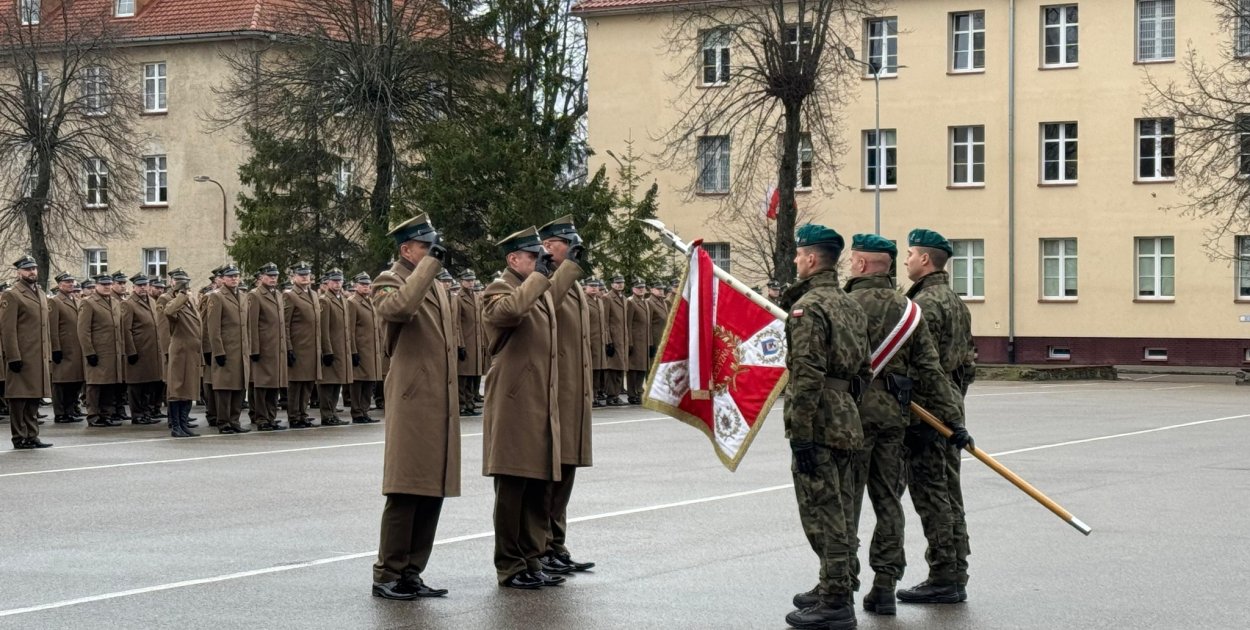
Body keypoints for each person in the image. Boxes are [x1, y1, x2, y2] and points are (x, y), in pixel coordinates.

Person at [833, 234, 967, 616]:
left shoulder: (848, 305)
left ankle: (839, 585)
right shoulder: (911, 308)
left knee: (848, 504)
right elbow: (938, 368)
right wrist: (955, 416)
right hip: (898, 419)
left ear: (860, 264)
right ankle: (886, 584)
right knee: (889, 502)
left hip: (856, 419)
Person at [781, 224, 870, 630]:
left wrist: (800, 432)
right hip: (847, 414)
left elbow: (806, 373)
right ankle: (834, 583)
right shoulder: (851, 304)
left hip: (818, 418)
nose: (796, 261)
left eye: (800, 255)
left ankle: (836, 600)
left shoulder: (809, 307)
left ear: (812, 259)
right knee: (843, 509)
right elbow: (864, 370)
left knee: (824, 512)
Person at [481, 226, 579, 590]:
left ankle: (532, 558)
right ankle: (510, 564)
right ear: (513, 259)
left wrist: (564, 266)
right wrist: (540, 274)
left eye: (541, 256)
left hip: (540, 402)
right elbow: (510, 311)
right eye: (532, 256)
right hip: (513, 404)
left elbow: (552, 297)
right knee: (513, 489)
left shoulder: (537, 290)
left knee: (539, 486)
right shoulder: (499, 289)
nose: (540, 262)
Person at [370, 214, 459, 600]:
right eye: (426, 247)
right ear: (406, 250)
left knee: (431, 488)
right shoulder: (387, 281)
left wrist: (428, 269)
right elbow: (399, 310)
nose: (432, 253)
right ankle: (387, 573)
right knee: (406, 489)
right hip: (411, 397)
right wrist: (427, 269)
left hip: (438, 397)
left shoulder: (434, 283)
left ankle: (411, 570)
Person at [897, 228, 976, 604]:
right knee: (949, 493)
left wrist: (926, 413)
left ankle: (945, 576)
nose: (907, 259)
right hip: (950, 407)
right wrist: (955, 402)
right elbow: (968, 364)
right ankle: (955, 571)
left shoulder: (926, 305)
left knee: (933, 496)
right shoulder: (955, 302)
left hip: (929, 414)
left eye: (910, 253)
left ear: (925, 260)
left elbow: (921, 366)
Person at [537, 216, 596, 575]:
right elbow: (544, 302)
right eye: (565, 244)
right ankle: (540, 545)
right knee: (549, 475)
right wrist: (565, 268)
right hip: (554, 393)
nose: (573, 250)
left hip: (574, 393)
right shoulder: (545, 279)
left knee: (566, 473)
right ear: (548, 246)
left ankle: (556, 543)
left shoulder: (571, 282)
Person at [3, 256, 52, 449]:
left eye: (34, 268)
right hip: (22, 355)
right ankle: (19, 437)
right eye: (27, 269)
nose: (32, 272)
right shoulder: (12, 295)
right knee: (19, 398)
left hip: (37, 356)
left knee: (33, 397)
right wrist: (13, 356)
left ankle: (32, 435)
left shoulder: (39, 292)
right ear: (19, 272)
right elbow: (8, 329)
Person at [78, 275, 128, 427]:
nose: (106, 286)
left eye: (108, 284)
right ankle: (94, 415)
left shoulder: (114, 302)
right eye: (103, 284)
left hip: (113, 351)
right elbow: (83, 330)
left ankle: (106, 414)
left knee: (110, 385)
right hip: (98, 352)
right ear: (96, 285)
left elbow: (118, 328)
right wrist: (89, 352)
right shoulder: (89, 303)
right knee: (95, 385)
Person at [207, 264, 251, 434]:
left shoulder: (243, 296)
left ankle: (235, 420)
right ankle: (223, 422)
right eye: (230, 276)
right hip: (226, 350)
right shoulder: (217, 297)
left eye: (236, 275)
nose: (234, 278)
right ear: (223, 279)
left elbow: (245, 325)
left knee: (239, 387)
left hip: (241, 350)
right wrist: (218, 351)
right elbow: (213, 327)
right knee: (225, 388)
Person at [248, 263, 290, 431]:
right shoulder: (255, 295)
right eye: (269, 275)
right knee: (262, 385)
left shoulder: (278, 294)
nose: (273, 278)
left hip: (276, 347)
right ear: (262, 277)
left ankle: (271, 417)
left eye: (275, 275)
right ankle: (261, 418)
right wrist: (254, 349)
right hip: (263, 348)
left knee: (275, 384)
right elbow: (252, 324)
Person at [163, 269, 201, 438]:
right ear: (172, 282)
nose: (182, 283)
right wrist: (181, 295)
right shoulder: (169, 299)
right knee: (177, 388)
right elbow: (169, 312)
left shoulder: (190, 300)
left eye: (185, 281)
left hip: (192, 351)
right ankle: (176, 425)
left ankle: (184, 424)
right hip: (180, 350)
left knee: (189, 388)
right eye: (178, 280)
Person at [121, 274, 163, 425]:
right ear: (134, 288)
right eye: (140, 285)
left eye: (145, 285)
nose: (143, 288)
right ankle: (137, 414)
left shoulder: (151, 301)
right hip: (138, 350)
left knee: (149, 384)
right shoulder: (129, 304)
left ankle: (146, 412)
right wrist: (130, 351)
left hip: (151, 350)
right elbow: (126, 330)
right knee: (136, 385)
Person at [285, 262, 322, 428]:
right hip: (298, 347)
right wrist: (288, 347)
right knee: (296, 384)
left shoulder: (313, 294)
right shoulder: (290, 295)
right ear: (293, 278)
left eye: (307, 274)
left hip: (312, 347)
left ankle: (303, 414)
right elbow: (285, 324)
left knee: (308, 383)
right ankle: (294, 416)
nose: (305, 277)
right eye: (301, 275)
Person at [318, 268, 355, 426]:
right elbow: (323, 328)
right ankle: (327, 414)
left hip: (341, 348)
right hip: (331, 348)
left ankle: (332, 413)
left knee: (337, 382)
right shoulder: (325, 301)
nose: (337, 284)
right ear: (327, 283)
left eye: (339, 281)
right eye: (334, 281)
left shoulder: (343, 300)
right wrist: (327, 350)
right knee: (328, 384)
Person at [48, 272, 85, 424]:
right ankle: (60, 413)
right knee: (61, 383)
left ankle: (70, 410)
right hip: (63, 349)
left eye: (72, 281)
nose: (70, 284)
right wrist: (55, 348)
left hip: (76, 348)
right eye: (67, 282)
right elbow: (52, 327)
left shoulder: (76, 300)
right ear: (59, 285)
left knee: (74, 382)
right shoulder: (55, 302)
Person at [348, 272, 383, 424]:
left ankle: (365, 410)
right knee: (358, 382)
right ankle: (357, 412)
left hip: (371, 349)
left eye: (368, 285)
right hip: (360, 349)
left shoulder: (370, 301)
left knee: (369, 381)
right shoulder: (352, 302)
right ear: (355, 286)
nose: (366, 287)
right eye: (363, 284)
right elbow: (349, 329)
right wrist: (353, 350)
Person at [456, 269, 483, 417]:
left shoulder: (475, 297)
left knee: (472, 376)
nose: (471, 282)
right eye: (468, 280)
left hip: (475, 342)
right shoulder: (458, 298)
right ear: (462, 281)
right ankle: (461, 405)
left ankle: (470, 404)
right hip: (466, 342)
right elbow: (457, 323)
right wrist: (460, 344)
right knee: (463, 377)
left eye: (472, 280)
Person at [602, 275, 629, 406]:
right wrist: (608, 340)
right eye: (617, 283)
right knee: (613, 368)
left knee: (620, 368)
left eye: (621, 283)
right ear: (612, 284)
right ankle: (611, 395)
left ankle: (616, 394)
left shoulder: (623, 299)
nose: (619, 285)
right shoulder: (607, 298)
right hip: (613, 338)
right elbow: (605, 321)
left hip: (622, 338)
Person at [625, 279, 651, 405]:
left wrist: (650, 341)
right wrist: (629, 342)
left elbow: (648, 325)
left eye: (643, 287)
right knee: (633, 368)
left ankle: (639, 390)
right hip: (635, 340)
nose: (641, 289)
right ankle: (632, 393)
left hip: (644, 340)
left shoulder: (644, 302)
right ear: (633, 289)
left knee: (642, 368)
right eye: (638, 287)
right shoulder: (631, 302)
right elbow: (628, 324)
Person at [584, 280, 607, 407]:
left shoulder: (599, 301)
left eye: (596, 286)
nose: (594, 288)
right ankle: (590, 397)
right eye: (591, 286)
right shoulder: (584, 301)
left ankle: (596, 395)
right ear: (586, 287)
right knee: (590, 371)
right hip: (590, 341)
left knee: (598, 371)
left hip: (600, 342)